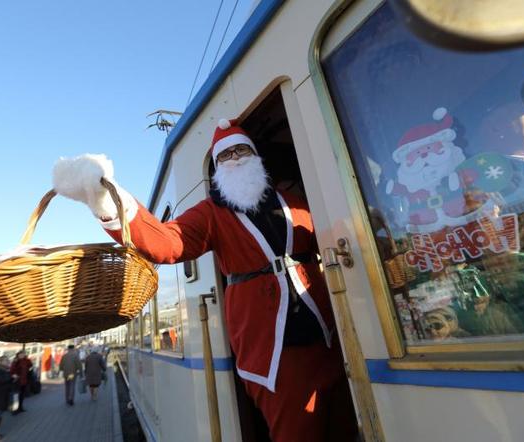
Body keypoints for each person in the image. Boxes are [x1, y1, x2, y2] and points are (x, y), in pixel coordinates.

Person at [52, 119, 358, 441]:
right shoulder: (211, 213)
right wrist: (106, 200)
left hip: (328, 333)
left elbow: (334, 232)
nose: (235, 158)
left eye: (242, 150)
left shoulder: (292, 201)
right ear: (216, 168)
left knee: (346, 425)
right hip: (270, 346)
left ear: (255, 157)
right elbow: (169, 242)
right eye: (225, 156)